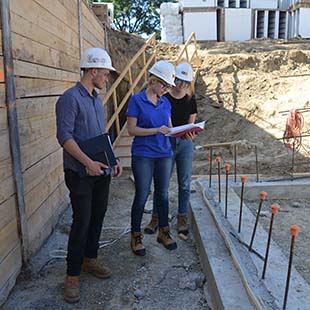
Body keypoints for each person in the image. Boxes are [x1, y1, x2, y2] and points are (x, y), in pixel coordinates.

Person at [56, 47, 122, 303]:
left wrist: (111, 159)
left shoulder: (95, 98)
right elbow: (65, 137)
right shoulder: (69, 99)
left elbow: (99, 132)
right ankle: (72, 275)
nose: (106, 78)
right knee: (81, 221)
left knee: (98, 216)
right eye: (104, 74)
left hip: (100, 170)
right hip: (80, 172)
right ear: (93, 71)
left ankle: (90, 259)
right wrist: (87, 163)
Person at [127, 60, 177, 256]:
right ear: (153, 80)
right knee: (142, 195)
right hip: (143, 154)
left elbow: (170, 128)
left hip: (164, 154)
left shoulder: (166, 102)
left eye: (167, 86)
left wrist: (182, 132)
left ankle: (164, 232)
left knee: (163, 194)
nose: (166, 89)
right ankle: (135, 236)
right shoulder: (136, 100)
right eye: (164, 85)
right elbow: (132, 130)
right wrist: (156, 130)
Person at [144, 62, 197, 241]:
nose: (181, 85)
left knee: (184, 183)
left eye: (185, 82)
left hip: (184, 145)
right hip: (165, 143)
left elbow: (191, 124)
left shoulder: (190, 99)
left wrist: (191, 134)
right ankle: (156, 218)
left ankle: (182, 218)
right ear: (174, 79)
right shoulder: (164, 97)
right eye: (179, 80)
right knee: (162, 183)